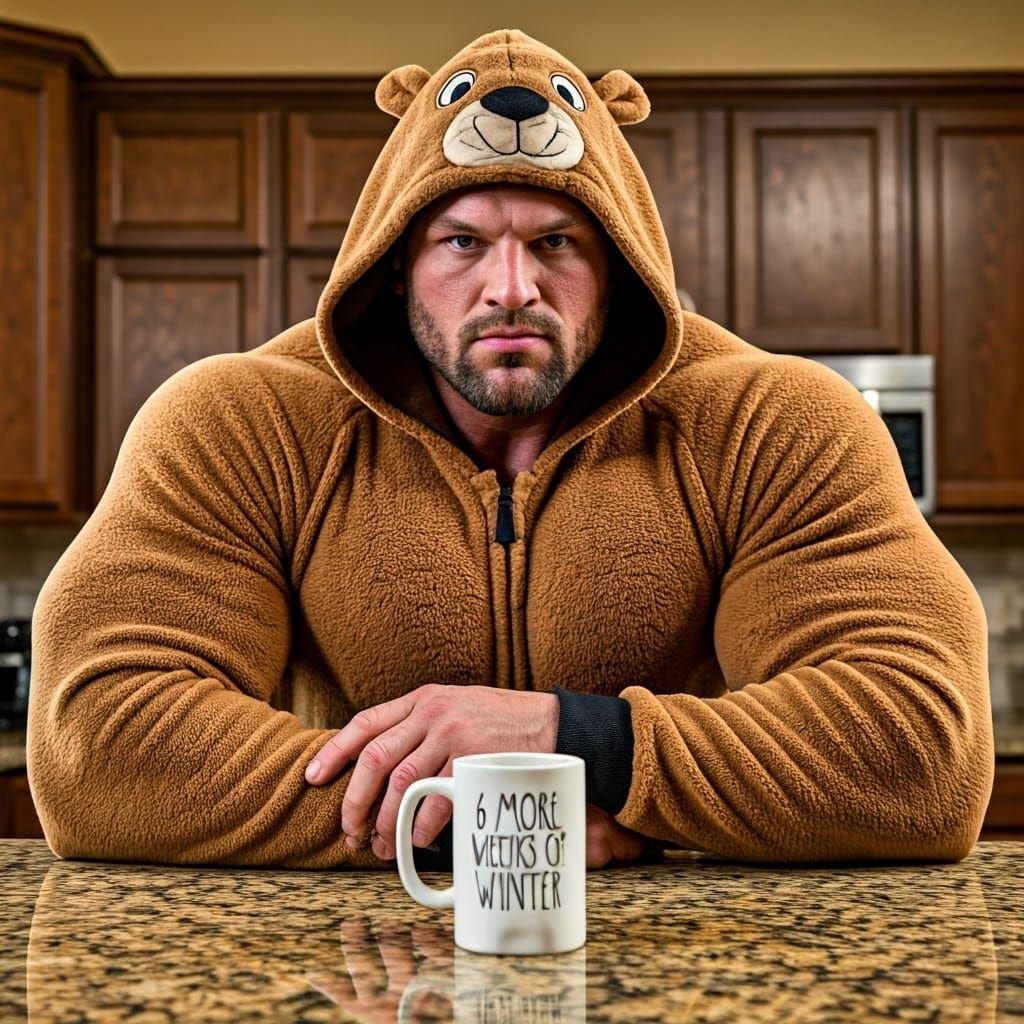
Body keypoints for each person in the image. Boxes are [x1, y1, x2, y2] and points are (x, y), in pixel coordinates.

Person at [27, 29, 993, 870]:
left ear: (618, 267)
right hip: (354, 962)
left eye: (557, 242)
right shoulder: (240, 423)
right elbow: (96, 740)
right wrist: (504, 817)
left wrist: (577, 739)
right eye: (461, 242)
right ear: (396, 266)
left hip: (686, 960)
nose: (511, 288)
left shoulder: (774, 422)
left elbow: (925, 746)